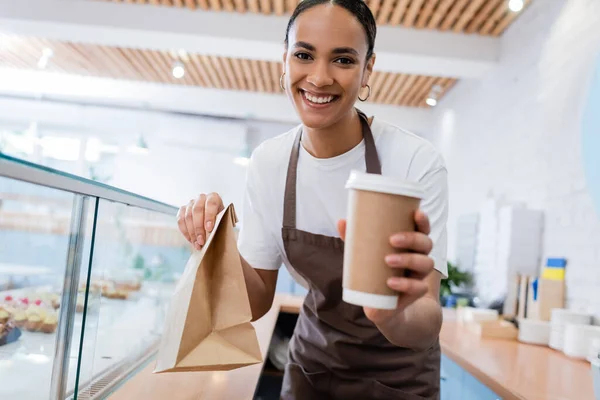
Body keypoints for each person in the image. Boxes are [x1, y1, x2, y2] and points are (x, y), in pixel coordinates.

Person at [177, 0, 448, 398]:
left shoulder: (413, 162)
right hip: (312, 370)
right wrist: (216, 249)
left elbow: (426, 319)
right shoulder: (269, 163)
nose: (319, 78)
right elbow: (255, 302)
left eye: (343, 59)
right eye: (304, 55)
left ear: (367, 69)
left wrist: (395, 311)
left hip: (399, 380)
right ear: (284, 61)